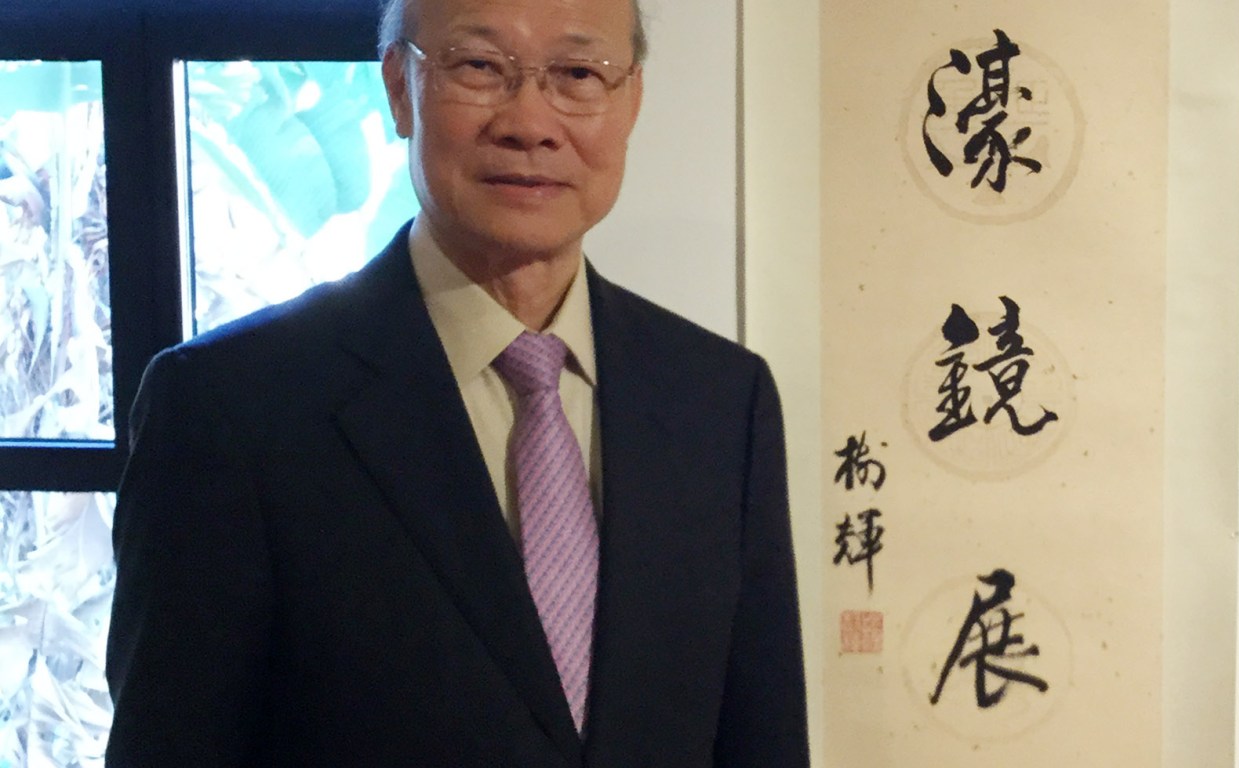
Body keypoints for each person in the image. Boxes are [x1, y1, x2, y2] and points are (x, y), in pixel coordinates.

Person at [103, 0, 809, 764]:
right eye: (479, 66)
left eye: (578, 73)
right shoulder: (228, 408)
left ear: (631, 97)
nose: (530, 124)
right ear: (398, 88)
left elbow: (761, 740)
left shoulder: (721, 402)